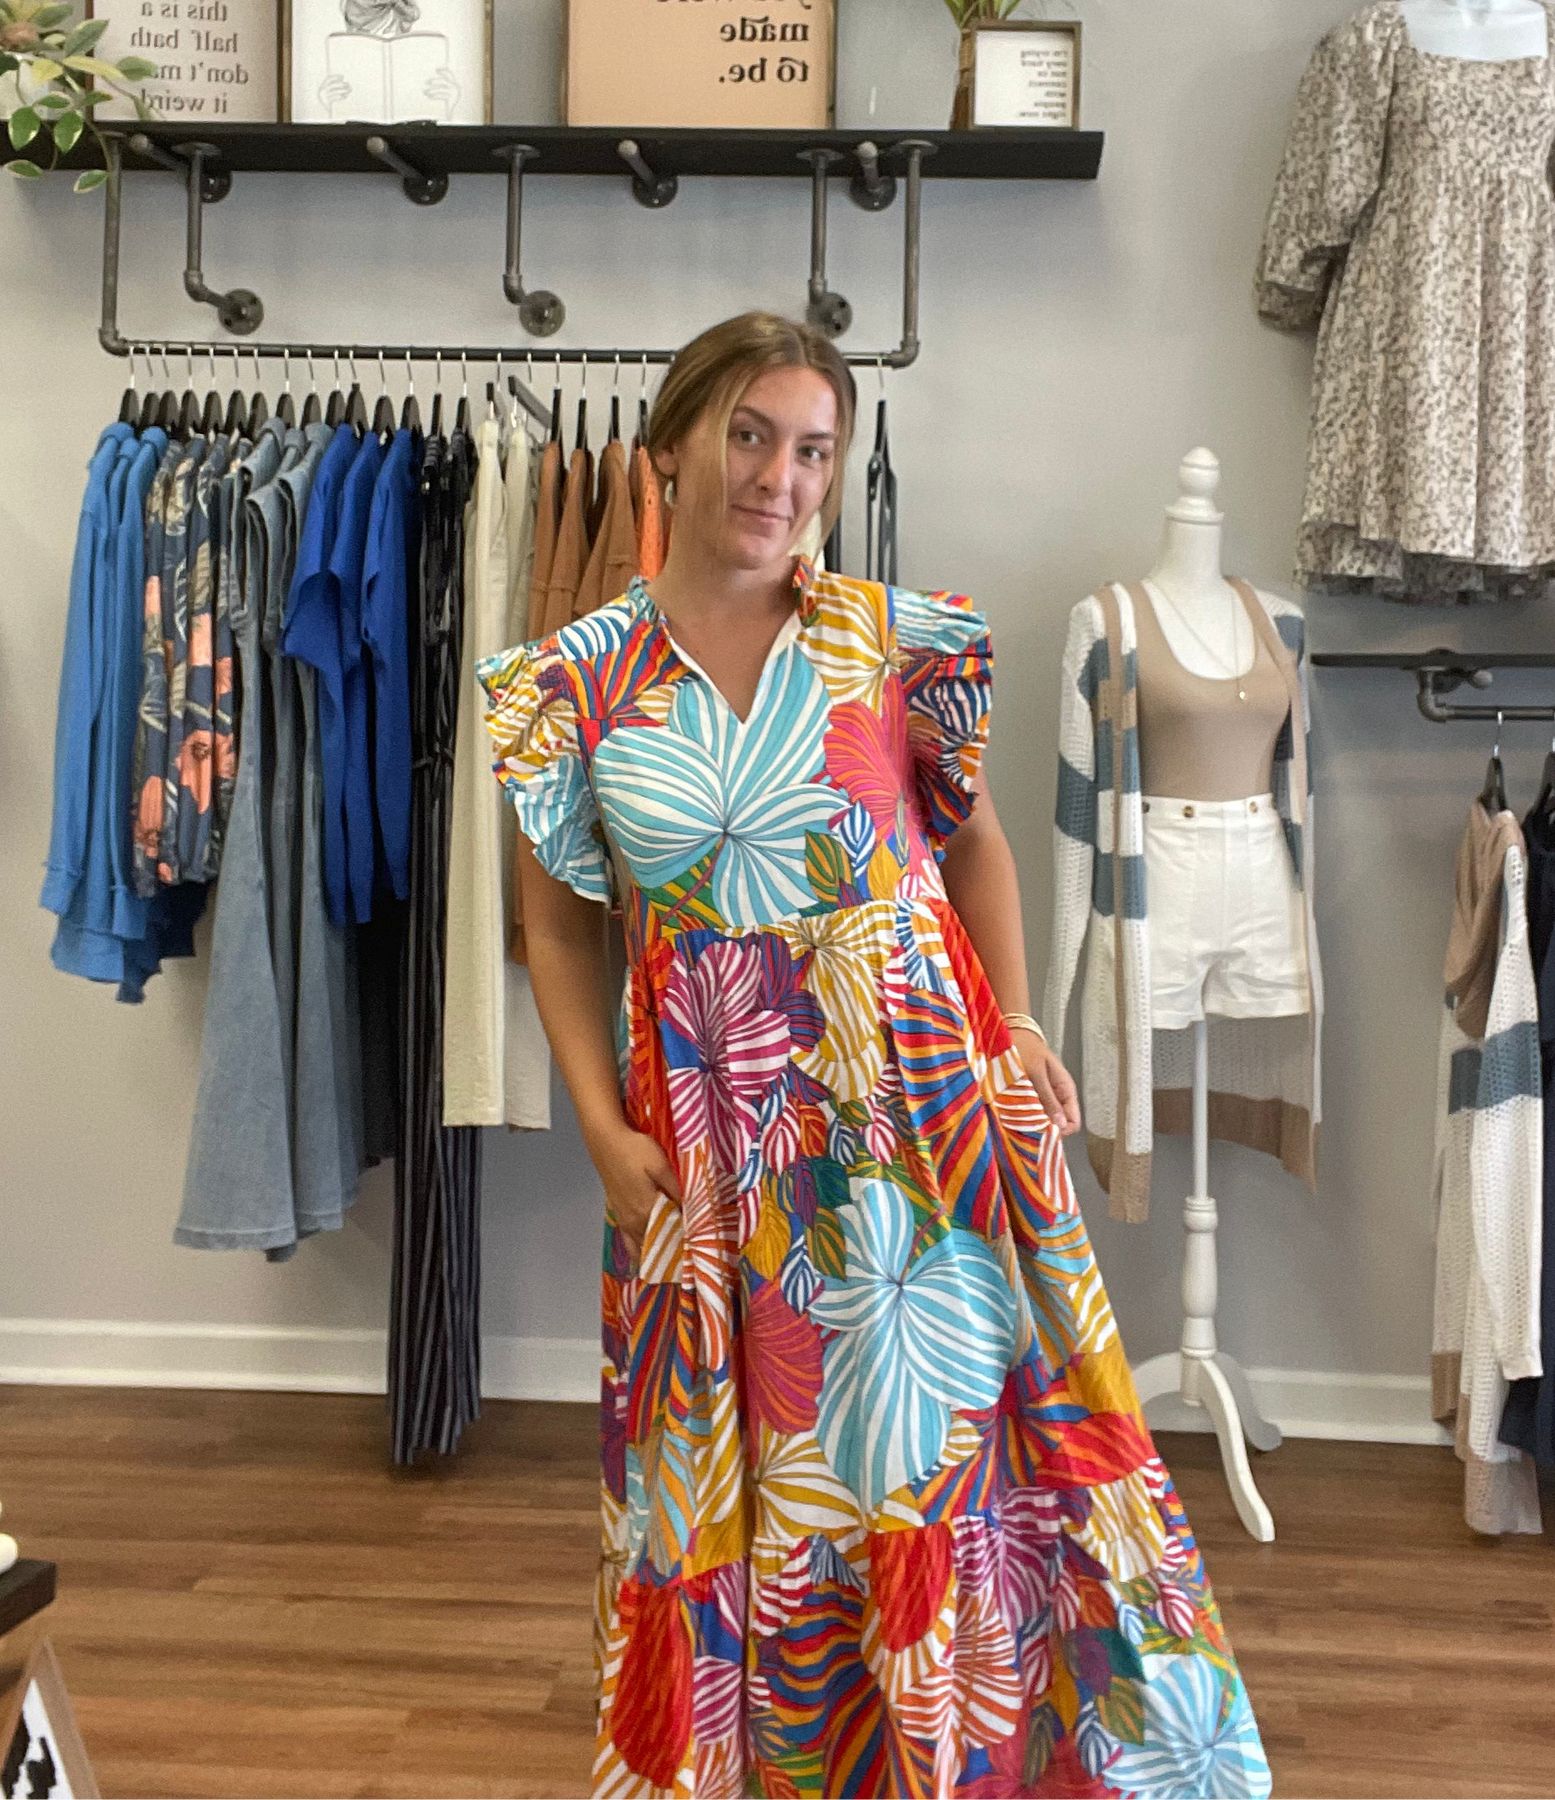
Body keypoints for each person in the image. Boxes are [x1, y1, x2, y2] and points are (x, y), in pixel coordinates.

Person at [479, 312, 1271, 1800]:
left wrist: (1016, 1026)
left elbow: (973, 851)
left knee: (943, 1455)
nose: (779, 477)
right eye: (748, 435)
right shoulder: (570, 683)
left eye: (813, 449)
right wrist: (595, 1122)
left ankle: (977, 1755)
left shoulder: (886, 641)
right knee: (745, 1470)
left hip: (921, 1110)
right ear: (669, 450)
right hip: (714, 1136)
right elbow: (562, 927)